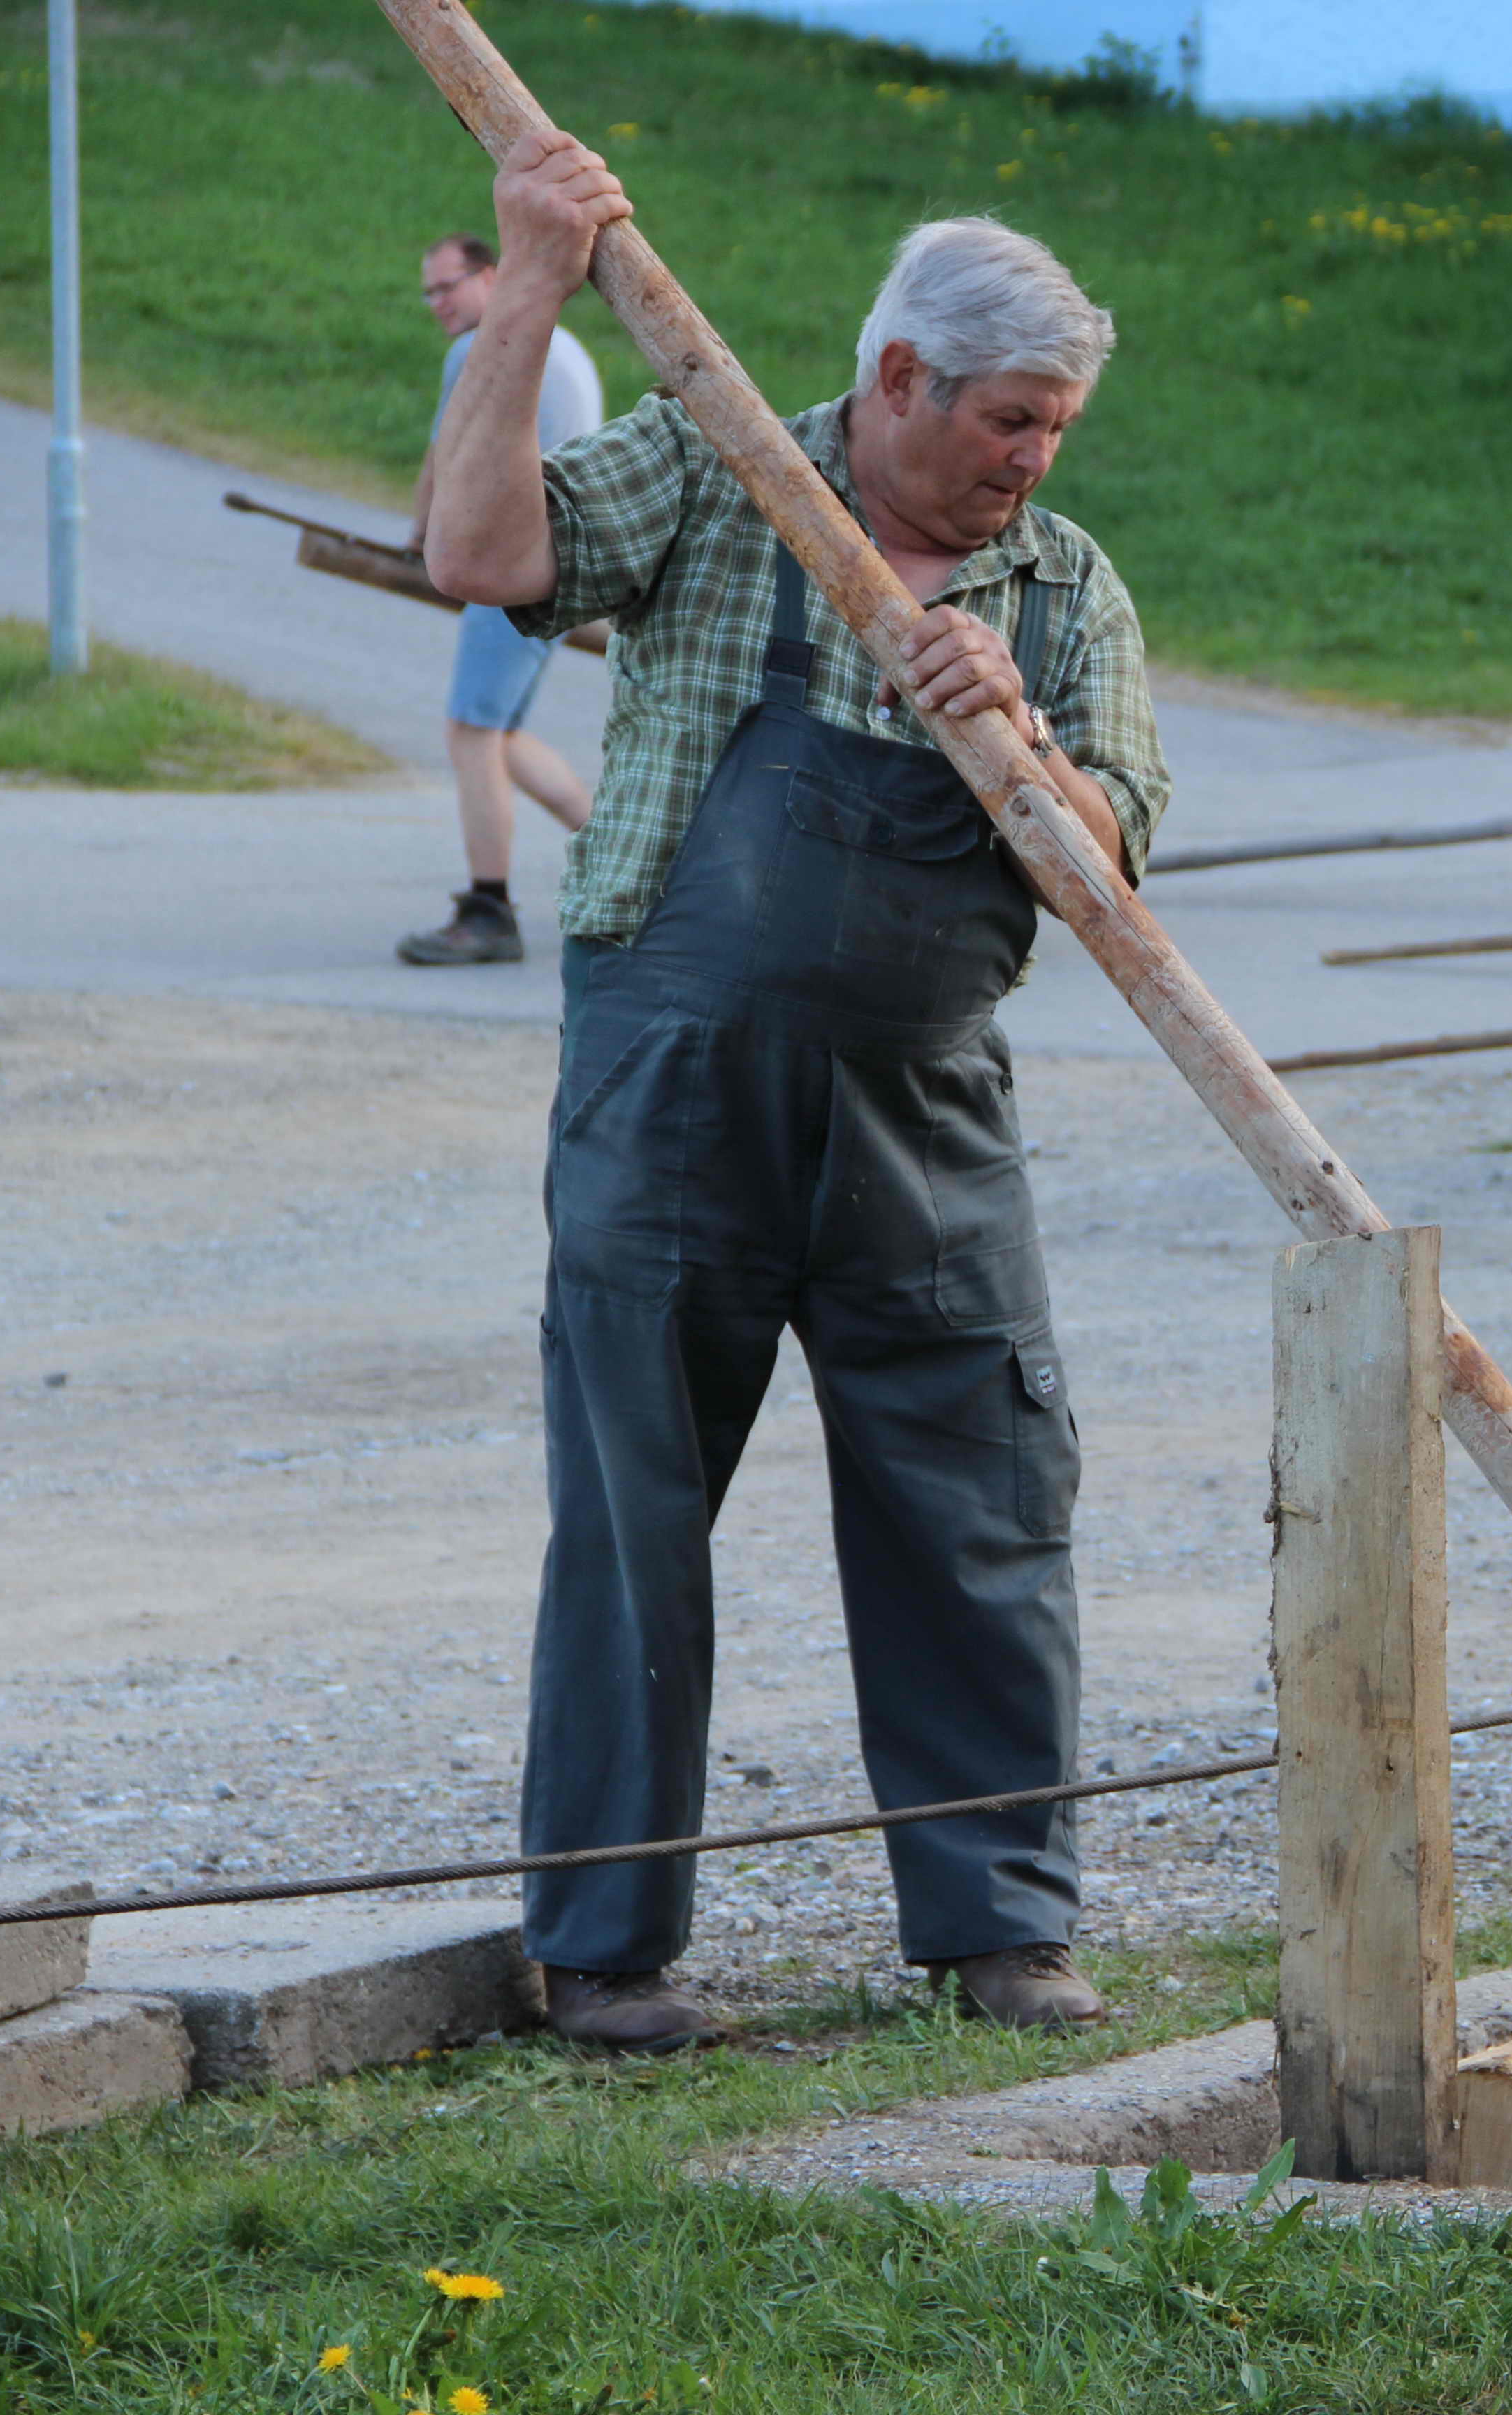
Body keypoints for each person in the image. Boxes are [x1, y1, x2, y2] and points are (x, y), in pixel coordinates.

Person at [427, 137, 1172, 2052]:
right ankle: (603, 1952)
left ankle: (1000, 1928)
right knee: (631, 1507)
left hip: (928, 1111)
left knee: (984, 1500)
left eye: (1059, 427)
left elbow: (1114, 875)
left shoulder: (1062, 589)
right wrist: (529, 286)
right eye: (1013, 419)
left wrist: (1013, 736)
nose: (1035, 459)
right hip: (671, 1090)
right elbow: (482, 559)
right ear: (905, 379)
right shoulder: (718, 463)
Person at [401, 233, 602, 966]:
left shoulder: (480, 348)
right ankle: (637, 863)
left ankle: (489, 910)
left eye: (447, 287)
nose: (438, 306)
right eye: (429, 293)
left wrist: (422, 537)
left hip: (506, 559)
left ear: (490, 278)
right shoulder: (564, 344)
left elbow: (445, 458)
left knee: (471, 734)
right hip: (564, 558)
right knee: (502, 733)